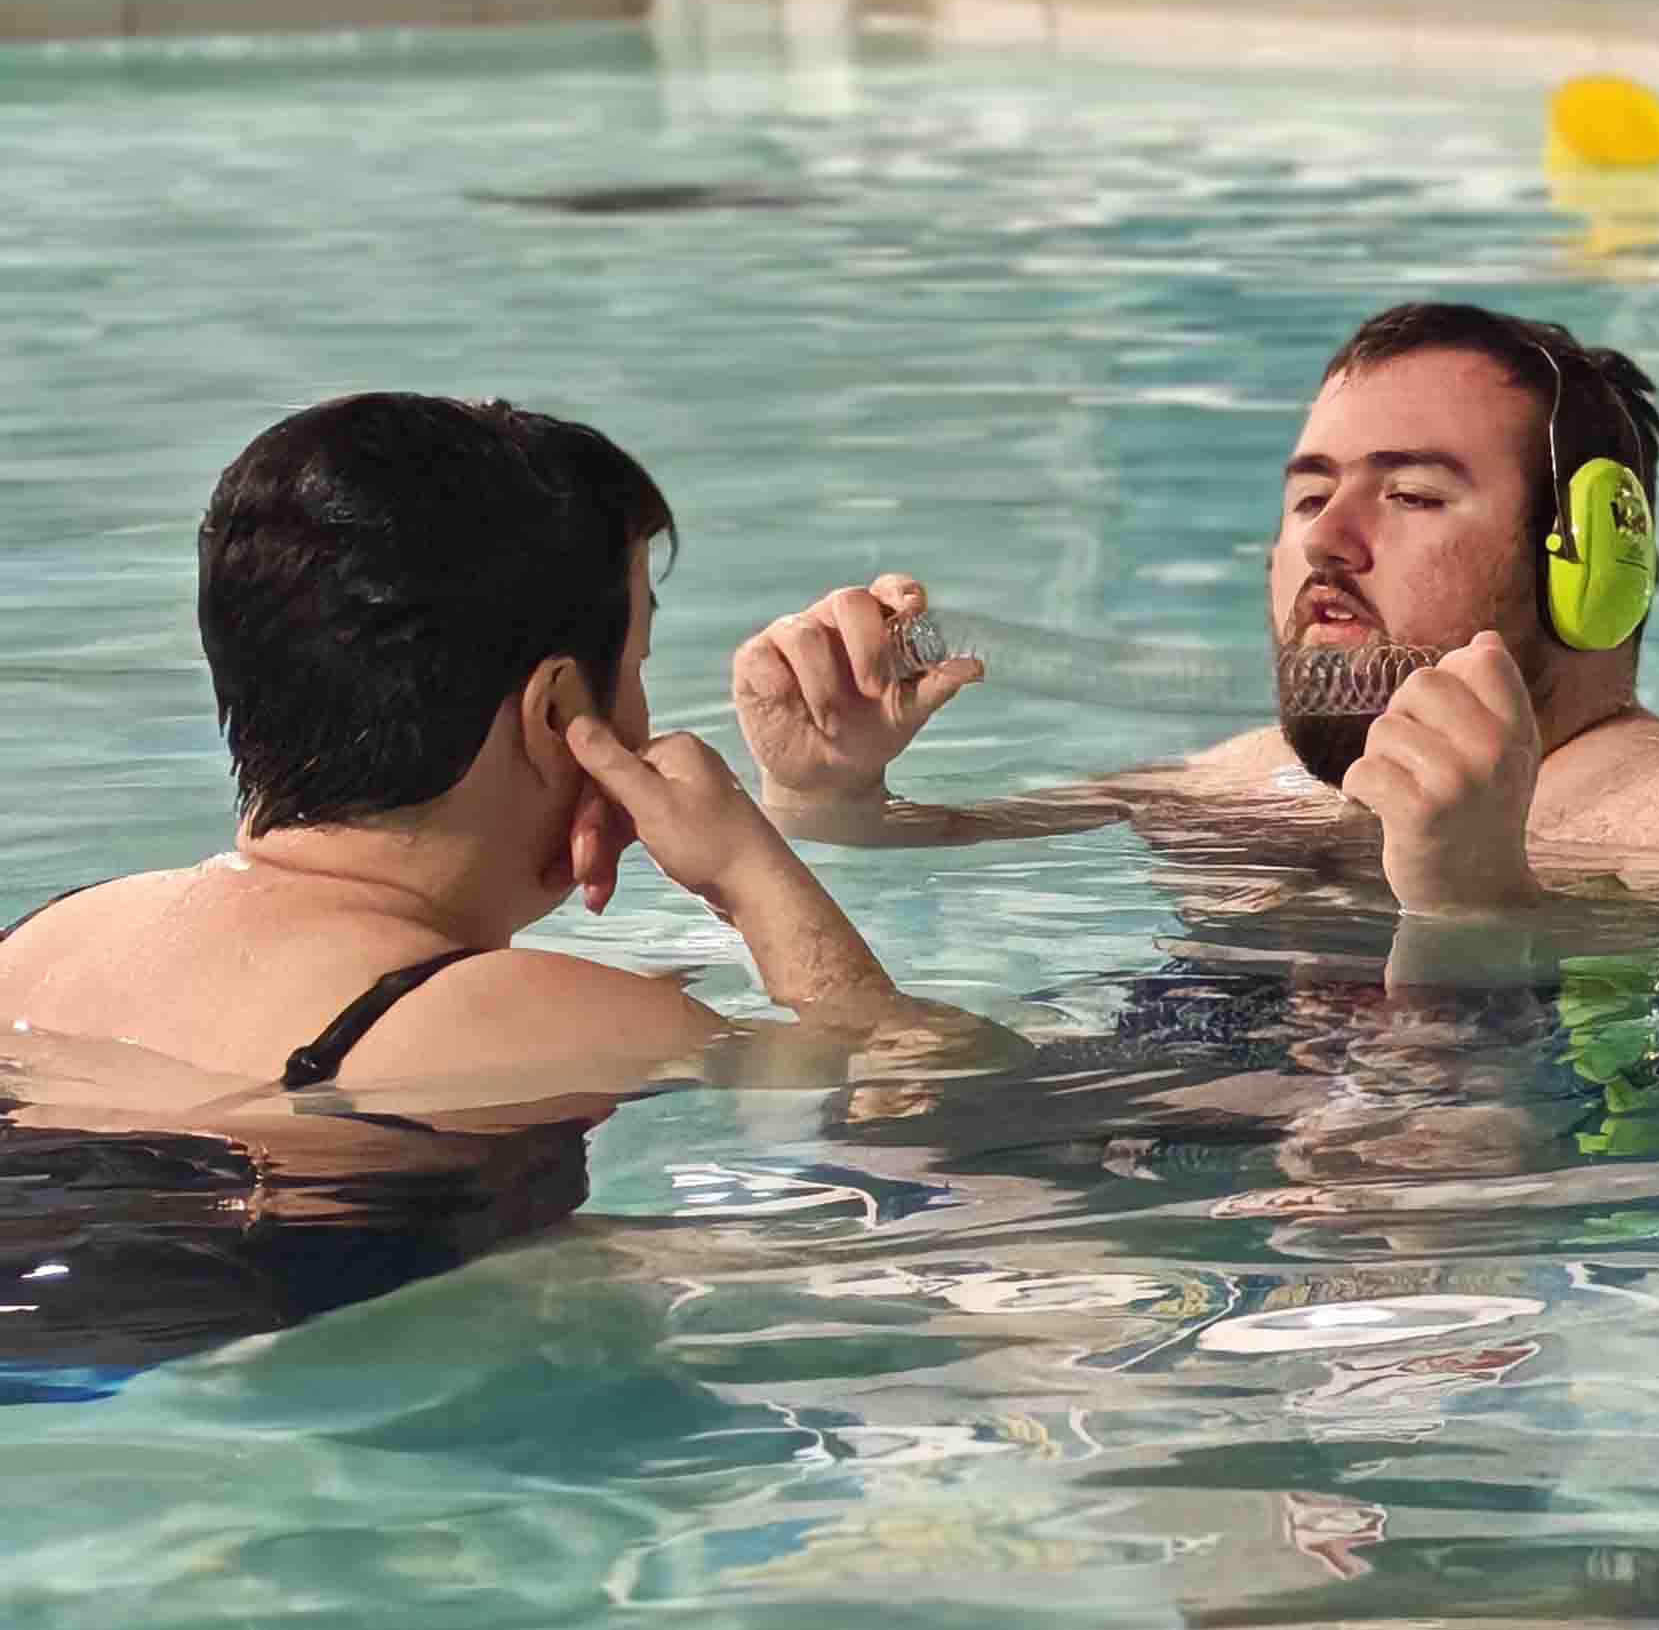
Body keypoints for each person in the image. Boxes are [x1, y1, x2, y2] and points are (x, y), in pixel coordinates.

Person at [0, 393, 967, 1107]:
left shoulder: (44, 948)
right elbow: (920, 1096)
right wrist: (754, 875)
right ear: (557, 716)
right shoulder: (543, 1024)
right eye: (636, 666)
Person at [730, 304, 1659, 918]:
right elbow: (909, 846)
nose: (1326, 539)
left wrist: (1482, 902)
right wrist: (827, 786)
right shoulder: (1252, 775)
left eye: (1412, 496)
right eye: (1311, 496)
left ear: (1595, 561)